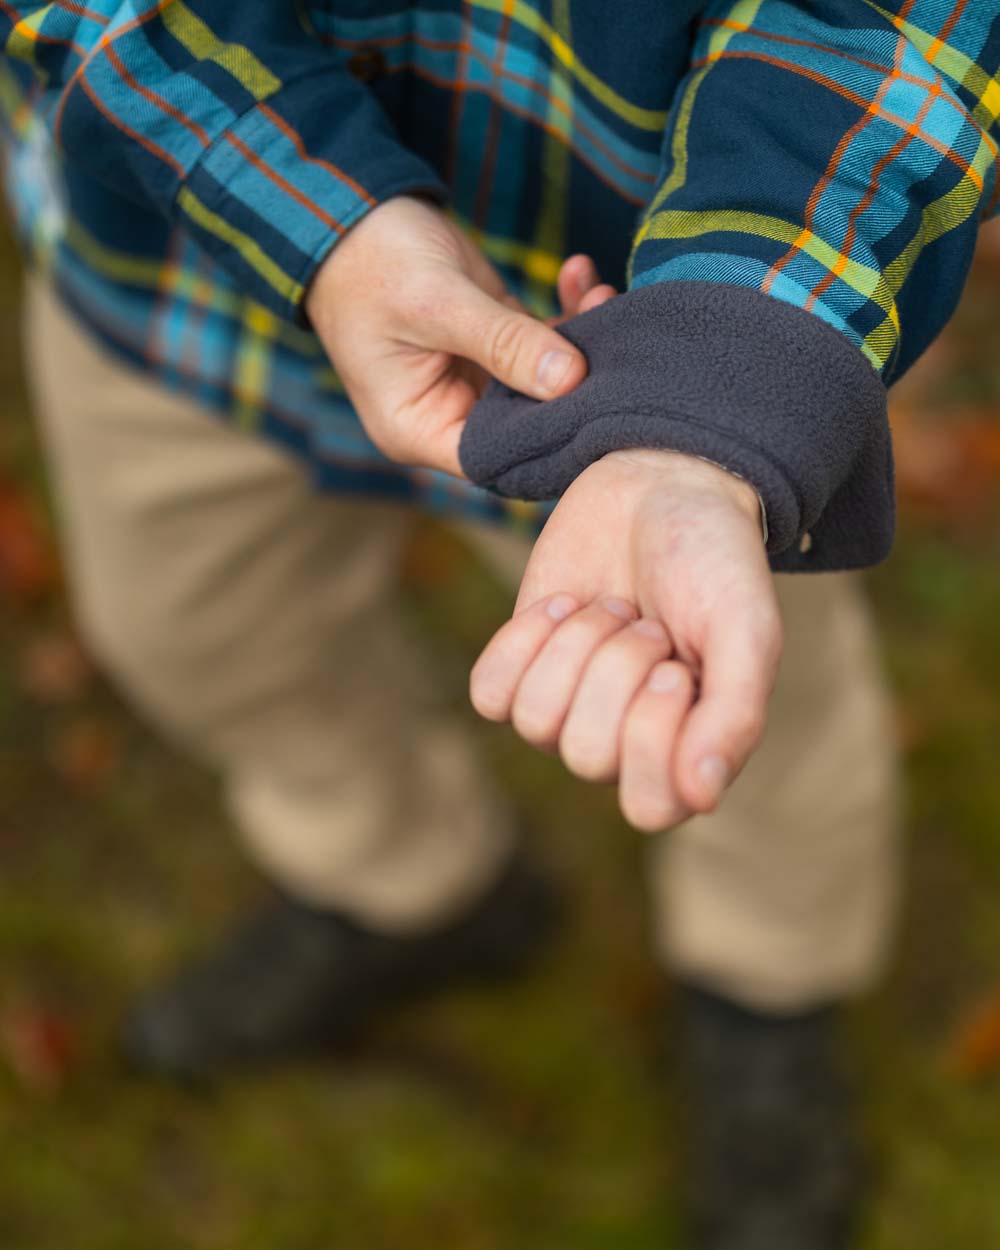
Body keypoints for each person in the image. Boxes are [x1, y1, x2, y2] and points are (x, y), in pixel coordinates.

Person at [1, 2, 994, 1246]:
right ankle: (406, 879)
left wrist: (714, 396)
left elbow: (901, 34)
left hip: (654, 338)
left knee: (735, 714)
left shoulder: (688, 382)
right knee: (201, 630)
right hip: (184, 271)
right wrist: (319, 208)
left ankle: (766, 989)